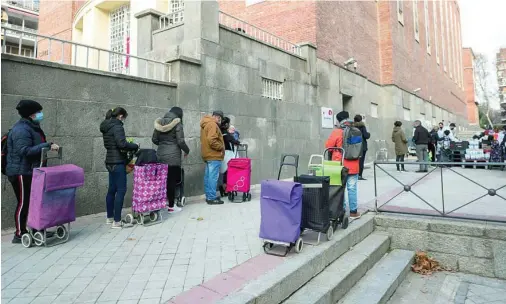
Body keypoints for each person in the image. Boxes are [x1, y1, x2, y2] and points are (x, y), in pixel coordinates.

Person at [6, 100, 59, 243]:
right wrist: (47, 145)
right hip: (20, 172)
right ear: (31, 114)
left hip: (30, 171)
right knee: (24, 203)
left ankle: (37, 230)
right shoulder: (21, 129)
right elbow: (24, 151)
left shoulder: (32, 127)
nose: (41, 114)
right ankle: (19, 233)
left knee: (33, 202)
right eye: (38, 112)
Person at [100, 107, 139, 228]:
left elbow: (113, 143)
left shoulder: (106, 126)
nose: (124, 121)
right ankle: (117, 221)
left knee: (112, 190)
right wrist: (134, 145)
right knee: (121, 190)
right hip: (118, 161)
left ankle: (110, 217)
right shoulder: (117, 126)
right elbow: (121, 144)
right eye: (124, 118)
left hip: (109, 161)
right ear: (120, 116)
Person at [152, 106, 190, 214]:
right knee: (172, 182)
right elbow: (181, 141)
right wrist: (187, 151)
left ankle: (161, 205)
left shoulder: (159, 123)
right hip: (173, 158)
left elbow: (154, 139)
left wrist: (163, 145)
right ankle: (171, 207)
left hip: (160, 156)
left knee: (162, 181)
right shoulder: (177, 124)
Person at [325, 111, 361, 219]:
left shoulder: (337, 131)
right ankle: (354, 212)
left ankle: (342, 211)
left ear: (338, 120)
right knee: (352, 188)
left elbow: (328, 146)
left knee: (340, 188)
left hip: (340, 165)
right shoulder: (356, 130)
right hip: (354, 164)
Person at [200, 111, 225, 205]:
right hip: (214, 154)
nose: (220, 121)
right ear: (217, 117)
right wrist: (221, 147)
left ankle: (209, 196)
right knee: (213, 177)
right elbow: (212, 140)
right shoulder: (212, 125)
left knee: (208, 176)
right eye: (220, 118)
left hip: (207, 154)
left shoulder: (206, 124)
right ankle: (211, 197)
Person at [218, 117, 241, 197]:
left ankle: (225, 188)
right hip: (226, 153)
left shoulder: (219, 130)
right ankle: (226, 188)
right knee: (228, 171)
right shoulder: (224, 132)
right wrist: (237, 142)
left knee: (226, 171)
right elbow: (230, 139)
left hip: (223, 153)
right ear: (226, 124)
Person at [353, 114, 370, 181]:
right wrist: (369, 134)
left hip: (354, 146)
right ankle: (359, 175)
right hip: (362, 146)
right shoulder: (362, 126)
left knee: (355, 161)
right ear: (361, 120)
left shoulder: (352, 127)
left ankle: (354, 174)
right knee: (361, 161)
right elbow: (366, 135)